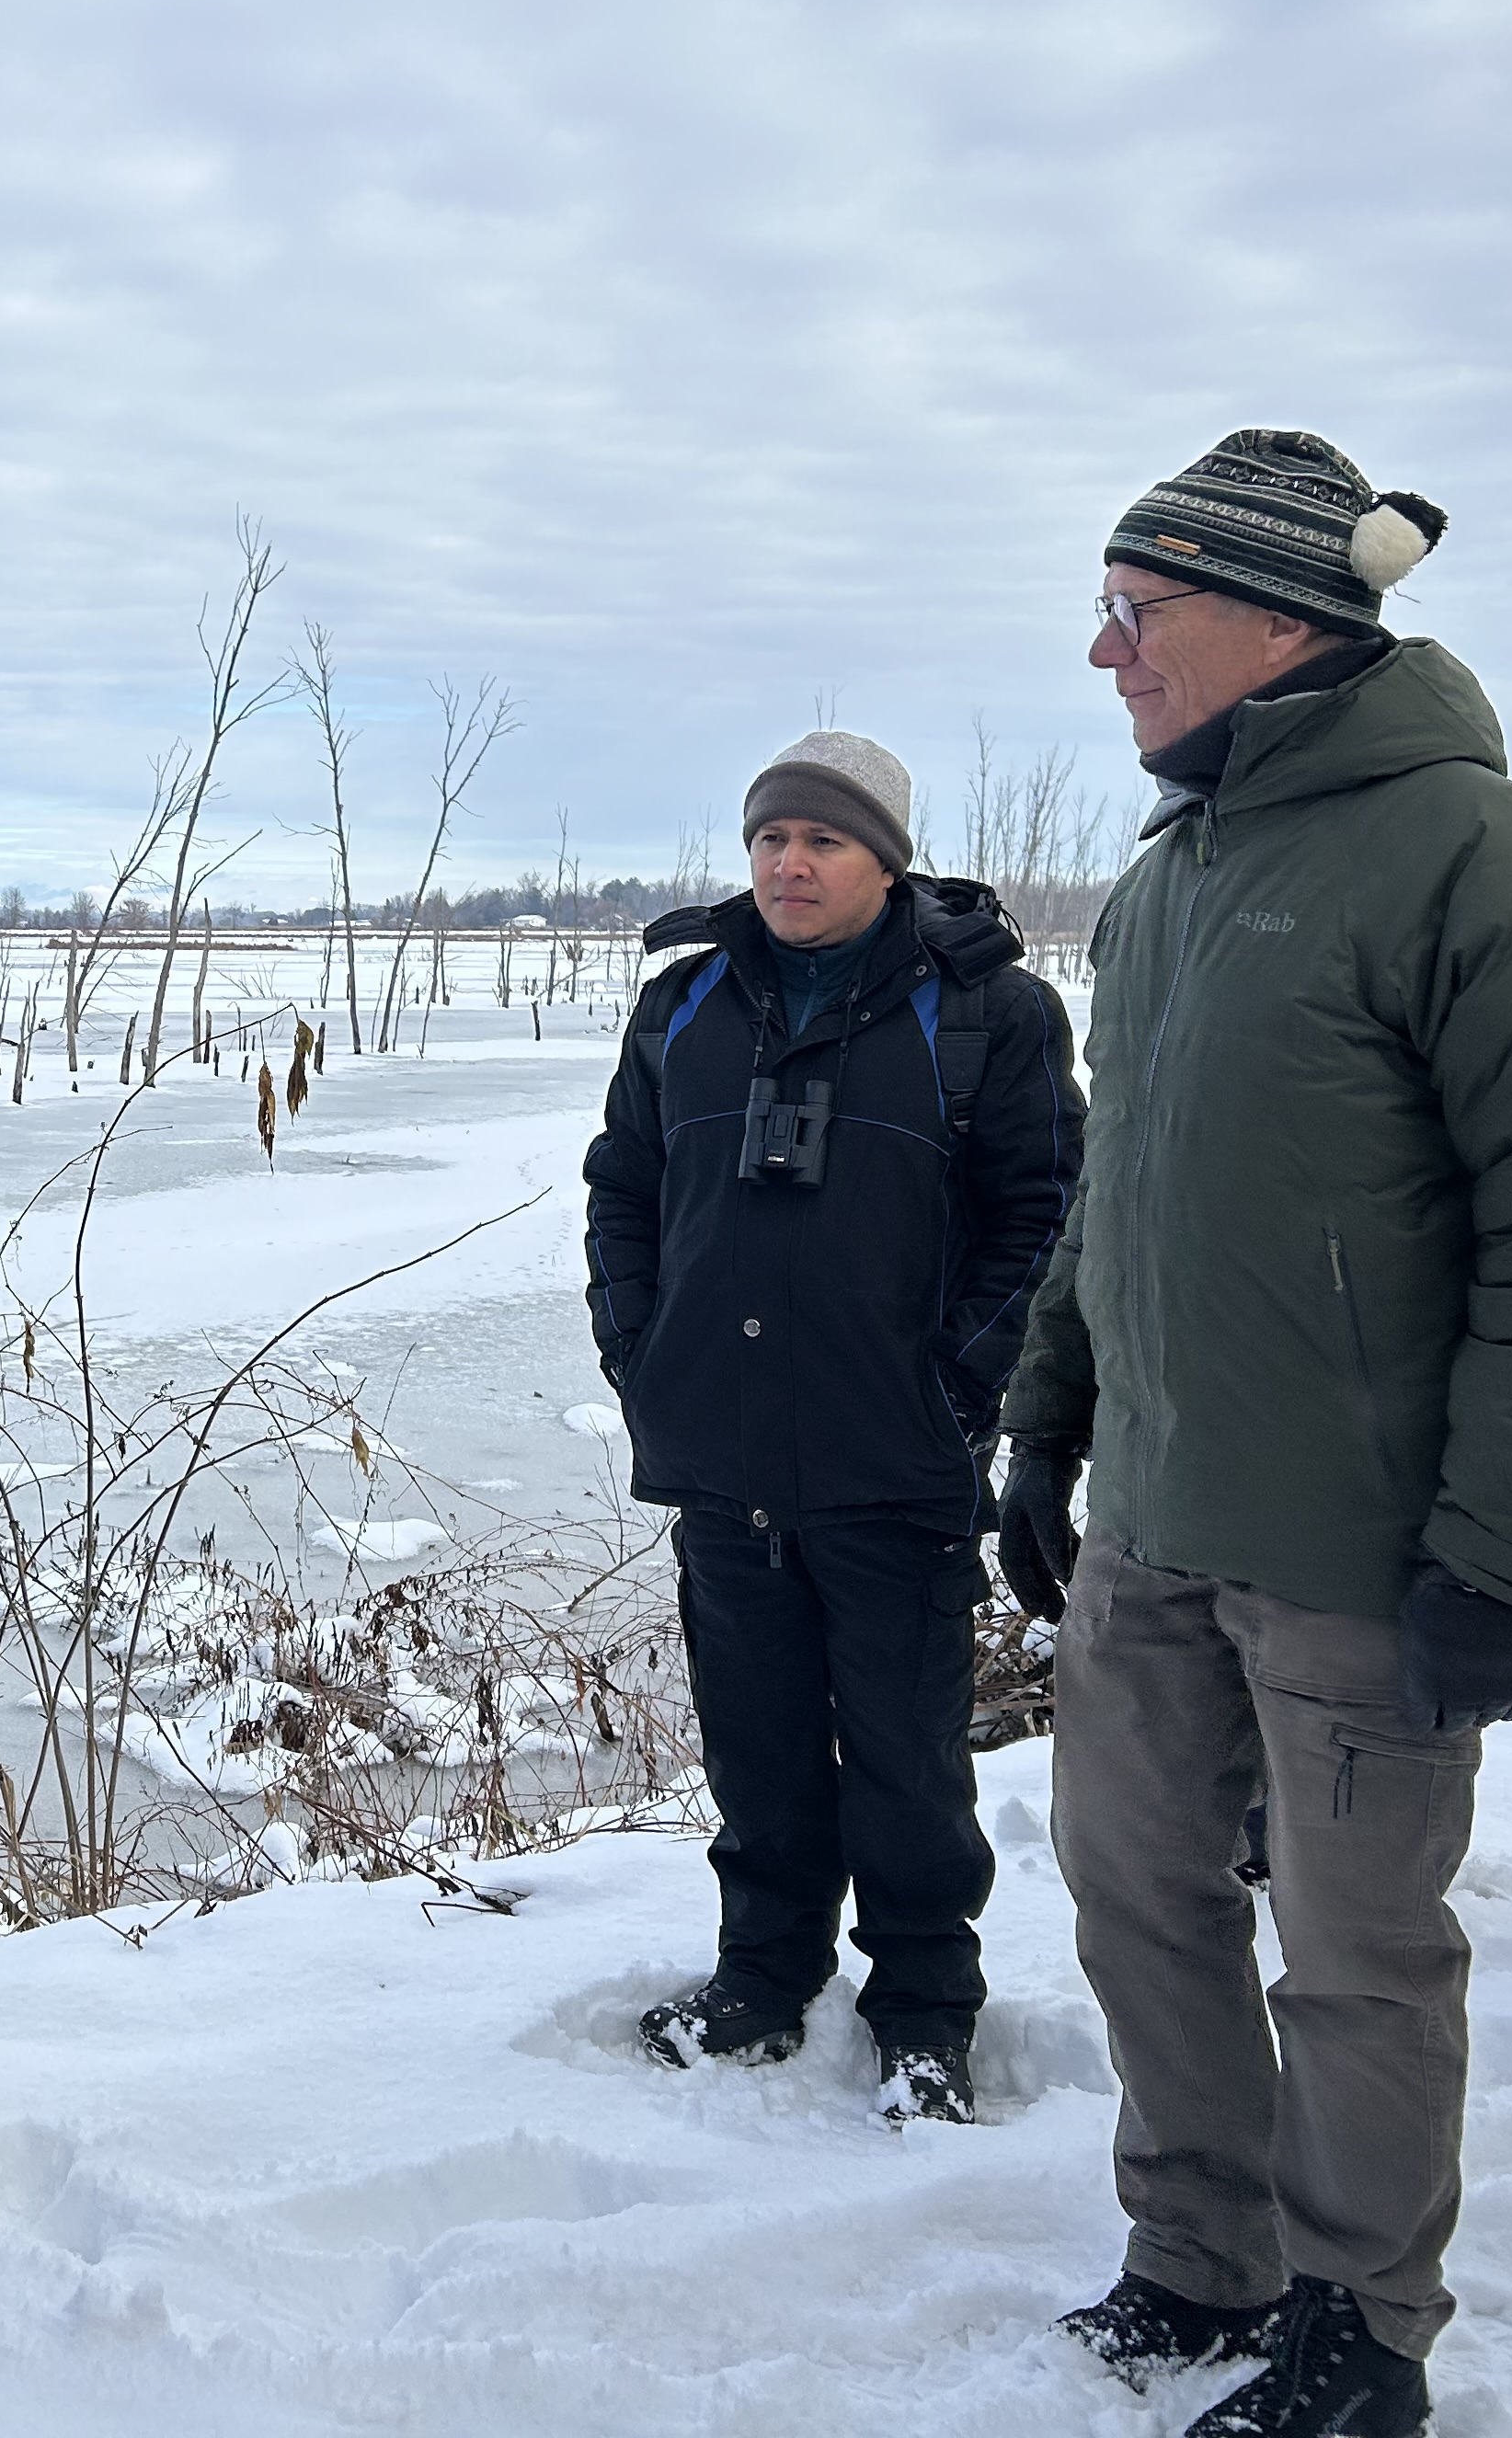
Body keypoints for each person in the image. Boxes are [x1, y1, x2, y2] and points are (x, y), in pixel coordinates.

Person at [995, 429, 1512, 2438]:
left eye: (1139, 614)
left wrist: (1498, 1554)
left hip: (1368, 1556)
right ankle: (1203, 2254)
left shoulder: (1475, 852)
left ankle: (1361, 2336)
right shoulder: (1168, 882)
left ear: (1281, 619)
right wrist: (1048, 1423)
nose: (1104, 656)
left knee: (1361, 1964)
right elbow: (1118, 1191)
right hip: (1158, 1527)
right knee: (1137, 1903)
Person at [583, 729, 1083, 2124]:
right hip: (721, 1449)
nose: (790, 865)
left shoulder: (986, 1015)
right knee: (755, 1744)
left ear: (885, 860)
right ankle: (761, 1975)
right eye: (770, 840)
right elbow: (621, 1188)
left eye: (824, 841)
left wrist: (954, 1387)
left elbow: (1046, 1217)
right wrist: (644, 1357)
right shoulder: (687, 1005)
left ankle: (925, 2009)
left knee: (909, 1755)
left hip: (894, 1458)